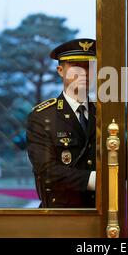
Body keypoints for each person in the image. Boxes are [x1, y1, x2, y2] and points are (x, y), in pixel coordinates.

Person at [26, 38, 96, 208]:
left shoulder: (104, 114)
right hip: (61, 213)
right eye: (76, 66)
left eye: (89, 66)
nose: (84, 72)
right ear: (60, 70)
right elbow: (46, 170)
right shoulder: (43, 116)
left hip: (101, 212)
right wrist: (96, 180)